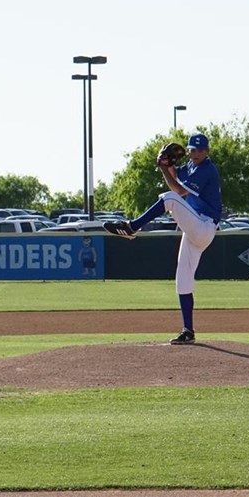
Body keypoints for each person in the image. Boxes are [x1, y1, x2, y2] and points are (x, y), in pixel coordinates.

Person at [103, 132, 221, 344]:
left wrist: (163, 168)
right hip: (195, 228)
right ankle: (188, 331)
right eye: (192, 149)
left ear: (207, 152)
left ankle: (132, 227)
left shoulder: (207, 169)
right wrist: (166, 165)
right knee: (183, 280)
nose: (195, 153)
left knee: (169, 198)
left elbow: (176, 190)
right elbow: (176, 175)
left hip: (204, 226)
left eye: (200, 150)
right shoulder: (191, 167)